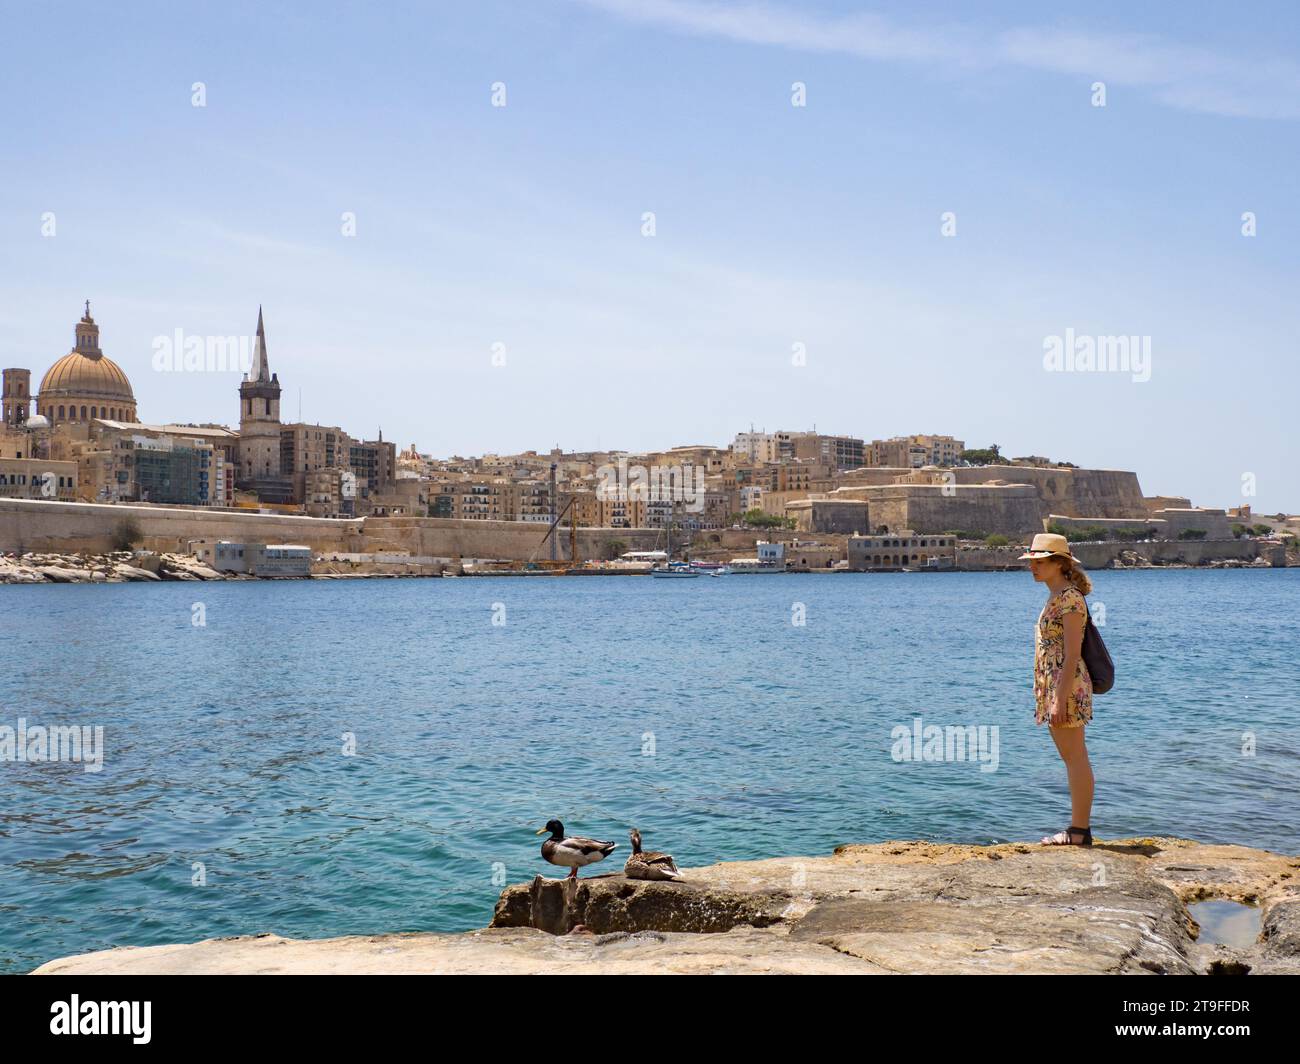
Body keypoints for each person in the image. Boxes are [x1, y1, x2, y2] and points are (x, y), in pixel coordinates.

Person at [1020, 532, 1095, 846]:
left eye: (1040, 562)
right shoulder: (1056, 596)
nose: (1033, 567)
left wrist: (1059, 698)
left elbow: (1073, 652)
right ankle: (1078, 829)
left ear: (1059, 563)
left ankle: (1079, 831)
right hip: (1055, 686)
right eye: (1032, 562)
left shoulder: (1070, 598)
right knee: (1071, 757)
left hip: (1068, 686)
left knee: (1075, 757)